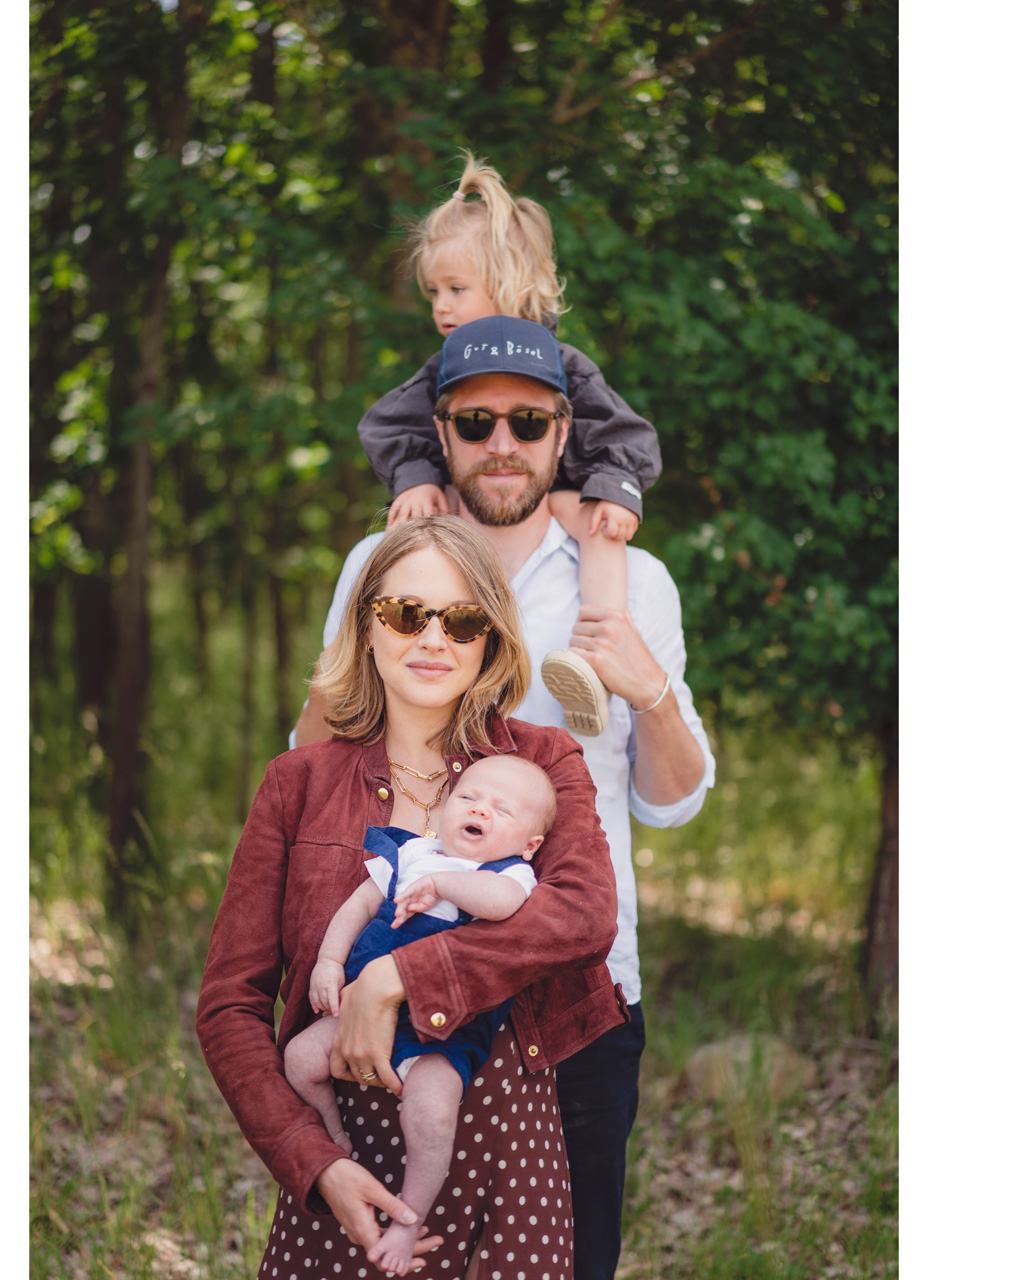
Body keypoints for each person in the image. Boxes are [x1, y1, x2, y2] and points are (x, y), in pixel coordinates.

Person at [296, 315, 716, 1280]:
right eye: (475, 421)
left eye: (528, 423)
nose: (502, 445)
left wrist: (647, 688)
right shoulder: (380, 566)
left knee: (571, 1263)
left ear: (566, 434)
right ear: (437, 432)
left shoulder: (631, 582)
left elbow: (672, 800)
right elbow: (319, 761)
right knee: (390, 1253)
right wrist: (354, 650)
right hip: (391, 976)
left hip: (579, 992)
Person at [199, 516, 629, 1280]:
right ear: (366, 627)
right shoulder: (295, 784)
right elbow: (230, 1005)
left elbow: (582, 915)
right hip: (346, 1157)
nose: (433, 638)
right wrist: (313, 1161)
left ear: (491, 641)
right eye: (406, 614)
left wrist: (401, 978)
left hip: (506, 1143)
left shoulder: (541, 759)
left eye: (461, 621)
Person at [357, 154, 663, 737]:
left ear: (509, 286)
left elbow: (624, 434)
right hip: (473, 505)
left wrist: (616, 490)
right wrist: (417, 475)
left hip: (559, 499)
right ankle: (399, 662)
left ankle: (596, 658)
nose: (440, 306)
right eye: (433, 292)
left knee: (598, 525)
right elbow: (389, 425)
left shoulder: (566, 368)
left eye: (455, 289)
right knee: (420, 525)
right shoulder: (440, 370)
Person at [284, 755, 559, 1276]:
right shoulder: (412, 853)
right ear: (446, 807)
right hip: (359, 1007)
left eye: (503, 809)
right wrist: (328, 961)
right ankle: (334, 1135)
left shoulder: (509, 873)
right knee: (299, 1058)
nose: (481, 809)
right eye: (470, 797)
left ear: (529, 843)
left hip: (442, 1032)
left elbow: (500, 905)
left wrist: (445, 886)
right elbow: (359, 907)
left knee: (432, 1113)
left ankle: (408, 1219)